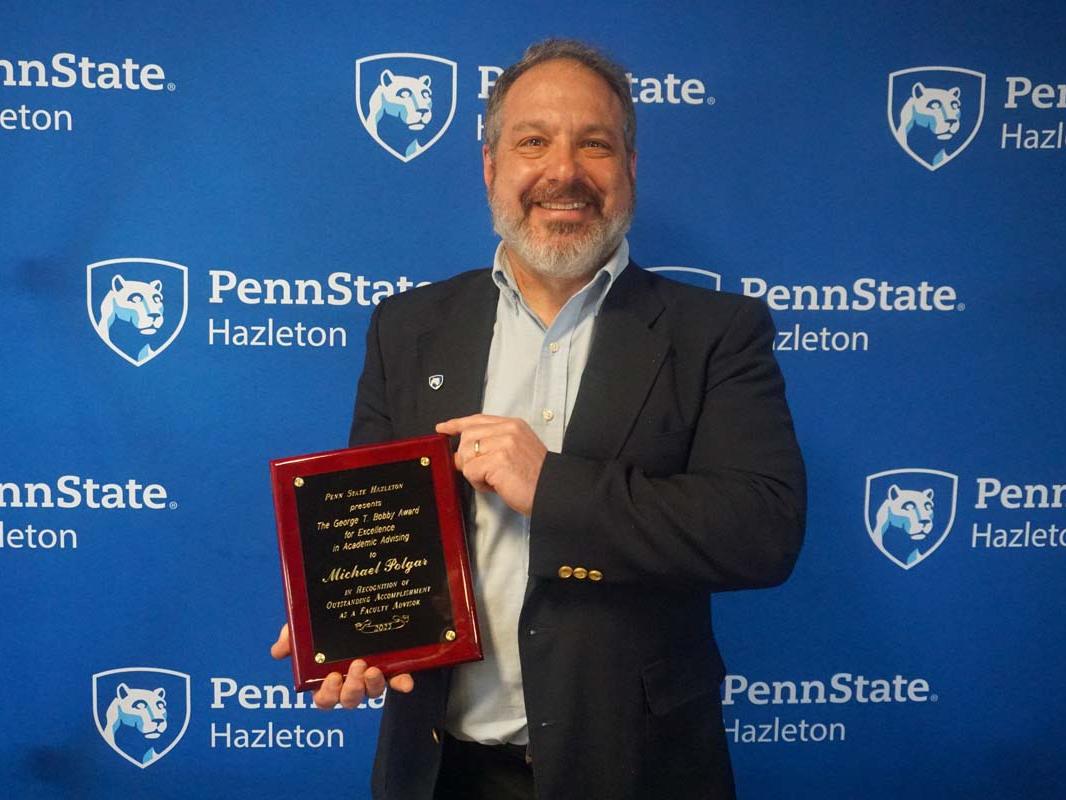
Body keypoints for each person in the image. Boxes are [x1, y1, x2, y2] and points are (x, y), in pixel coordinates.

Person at [272, 38, 805, 800]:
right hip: (437, 773)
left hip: (639, 773)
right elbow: (380, 524)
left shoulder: (714, 332)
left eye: (595, 144)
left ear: (629, 169)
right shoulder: (408, 325)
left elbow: (763, 532)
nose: (564, 172)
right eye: (532, 142)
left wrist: (551, 486)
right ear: (490, 166)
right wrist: (352, 629)